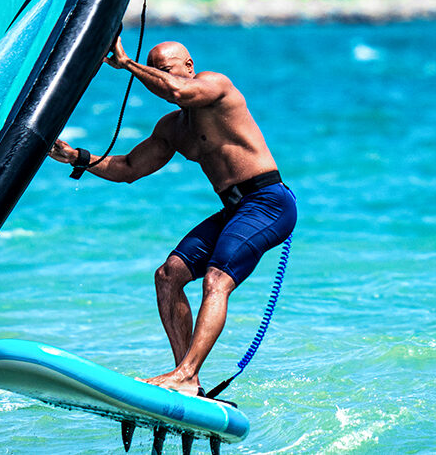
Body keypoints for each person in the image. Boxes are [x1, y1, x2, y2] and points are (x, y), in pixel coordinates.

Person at [48, 37, 296, 397]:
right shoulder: (173, 128)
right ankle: (188, 380)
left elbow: (178, 92)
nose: (157, 77)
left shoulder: (216, 86)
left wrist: (129, 65)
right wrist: (77, 158)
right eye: (154, 69)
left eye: (163, 69)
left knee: (216, 278)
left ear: (189, 67)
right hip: (235, 209)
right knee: (168, 275)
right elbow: (129, 168)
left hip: (268, 202)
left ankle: (185, 372)